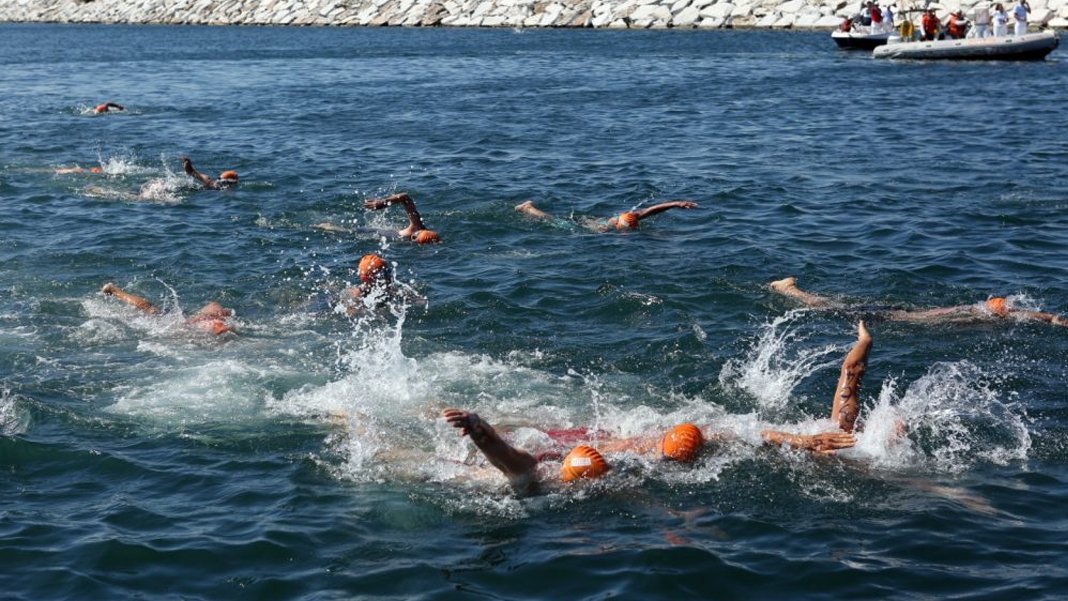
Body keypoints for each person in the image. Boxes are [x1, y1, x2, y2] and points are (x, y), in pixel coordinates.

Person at [442, 323, 870, 494]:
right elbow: (848, 380)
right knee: (527, 469)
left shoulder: (836, 433)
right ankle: (483, 433)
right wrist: (803, 441)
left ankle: (483, 432)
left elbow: (849, 379)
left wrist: (863, 344)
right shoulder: (841, 435)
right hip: (599, 448)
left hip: (600, 448)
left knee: (525, 469)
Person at [769, 276, 1068, 327]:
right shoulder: (980, 314)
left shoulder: (975, 311)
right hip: (894, 317)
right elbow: (1023, 314)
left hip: (899, 312)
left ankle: (793, 290)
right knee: (832, 310)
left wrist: (1054, 318)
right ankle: (789, 291)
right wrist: (1054, 319)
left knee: (837, 307)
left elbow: (1027, 314)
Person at [100, 282, 235, 335]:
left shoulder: (214, 318)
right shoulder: (216, 322)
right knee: (148, 308)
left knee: (149, 308)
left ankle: (114, 290)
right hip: (173, 322)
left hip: (181, 319)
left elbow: (213, 307)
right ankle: (113, 290)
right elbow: (216, 316)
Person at [316, 192, 442, 244]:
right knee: (342, 232)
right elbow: (405, 197)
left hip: (378, 234)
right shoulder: (416, 226)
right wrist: (383, 203)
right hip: (369, 232)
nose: (416, 235)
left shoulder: (415, 234)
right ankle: (322, 226)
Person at [515, 199, 699, 232]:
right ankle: (527, 208)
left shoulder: (628, 218)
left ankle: (529, 208)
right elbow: (649, 211)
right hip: (583, 228)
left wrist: (675, 204)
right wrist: (675, 204)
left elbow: (650, 211)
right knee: (553, 221)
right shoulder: (612, 227)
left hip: (593, 223)